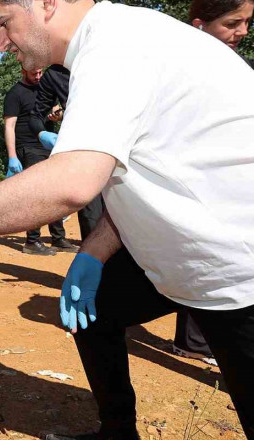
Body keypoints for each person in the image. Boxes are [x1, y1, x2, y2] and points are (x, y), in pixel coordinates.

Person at [0, 0, 254, 437]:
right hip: (186, 257)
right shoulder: (113, 42)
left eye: (3, 24)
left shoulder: (116, 47)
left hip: (238, 274)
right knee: (97, 313)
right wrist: (92, 252)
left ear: (45, 4)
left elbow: (70, 184)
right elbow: (145, 175)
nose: (0, 44)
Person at [170, 0, 254, 369]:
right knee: (200, 264)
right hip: (193, 192)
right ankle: (195, 341)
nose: (243, 32)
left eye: (247, 22)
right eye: (233, 23)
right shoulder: (177, 69)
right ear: (201, 24)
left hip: (233, 191)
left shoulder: (240, 69)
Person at [3, 67, 78, 255]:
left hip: (48, 146)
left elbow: (55, 112)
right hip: (27, 147)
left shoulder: (46, 89)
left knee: (57, 192)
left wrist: (57, 115)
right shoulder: (15, 93)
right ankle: (32, 241)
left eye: (40, 73)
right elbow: (9, 126)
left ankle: (59, 239)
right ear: (23, 70)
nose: (38, 77)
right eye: (33, 73)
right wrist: (12, 156)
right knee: (39, 193)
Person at [27, 64, 105, 241]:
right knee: (91, 216)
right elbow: (36, 116)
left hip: (123, 150)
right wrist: (42, 133)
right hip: (85, 154)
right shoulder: (54, 74)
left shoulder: (103, 57)